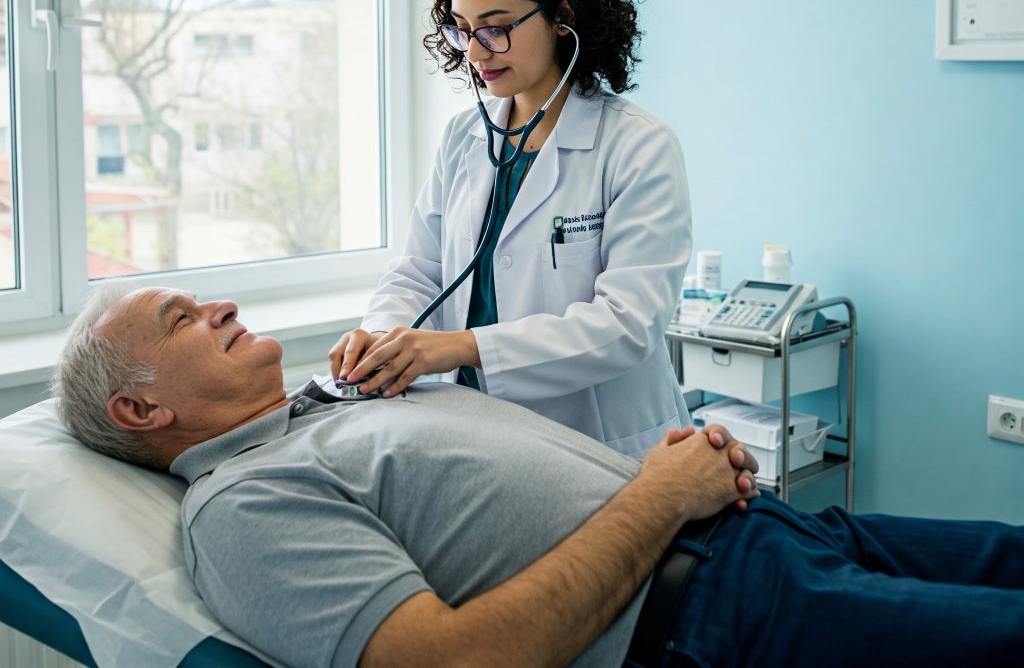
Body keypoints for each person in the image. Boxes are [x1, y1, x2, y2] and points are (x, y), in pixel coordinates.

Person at [54, 285, 1024, 668]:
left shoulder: (331, 407)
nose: (218, 301)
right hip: (717, 613)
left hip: (764, 532)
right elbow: (458, 663)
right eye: (181, 318)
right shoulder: (240, 508)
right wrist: (658, 496)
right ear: (142, 411)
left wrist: (679, 471)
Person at [330, 0, 694, 457]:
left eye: (496, 28)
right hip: (479, 437)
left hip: (601, 446)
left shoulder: (637, 146)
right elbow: (419, 271)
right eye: (463, 30)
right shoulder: (464, 138)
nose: (475, 53)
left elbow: (628, 325)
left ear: (562, 16)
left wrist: (462, 348)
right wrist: (383, 336)